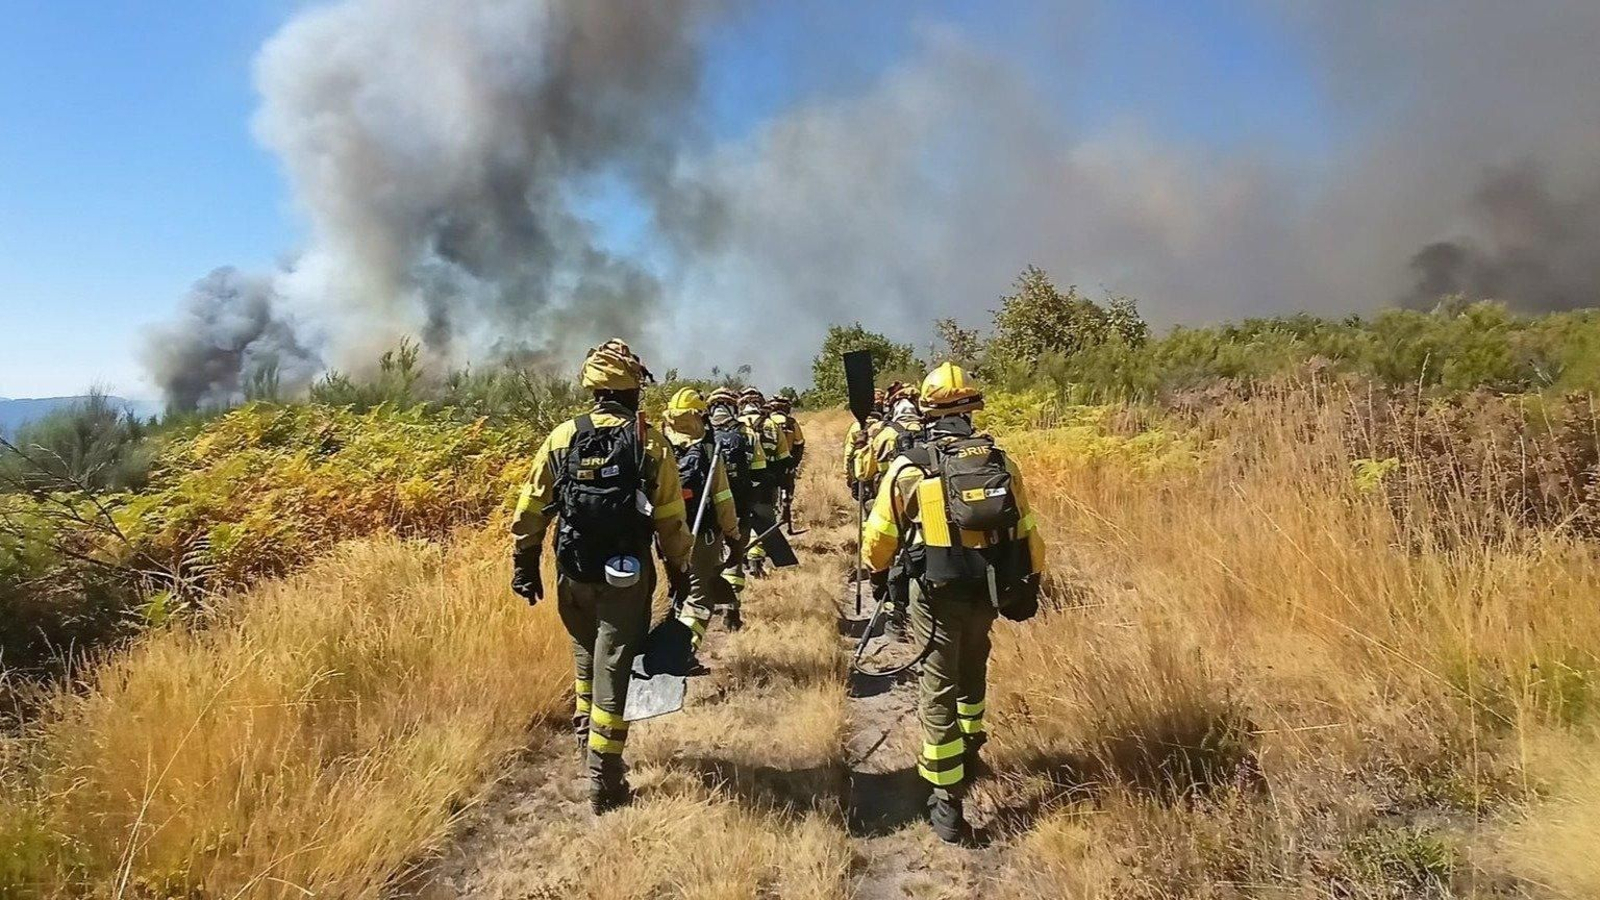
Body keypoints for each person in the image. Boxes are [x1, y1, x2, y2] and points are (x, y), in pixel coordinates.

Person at [860, 362, 1047, 843]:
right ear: (972, 410)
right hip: (988, 589)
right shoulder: (1001, 462)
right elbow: (1028, 532)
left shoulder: (911, 466)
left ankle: (946, 801)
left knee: (937, 681)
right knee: (974, 662)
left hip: (936, 592)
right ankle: (973, 747)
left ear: (927, 411)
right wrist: (1031, 582)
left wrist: (878, 577)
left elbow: (880, 535)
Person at [510, 339, 694, 814]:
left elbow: (531, 506)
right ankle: (604, 779)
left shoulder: (561, 436)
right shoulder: (649, 440)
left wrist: (525, 562)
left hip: (573, 570)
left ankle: (583, 741)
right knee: (615, 667)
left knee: (586, 661)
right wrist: (680, 571)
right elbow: (670, 518)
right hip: (626, 578)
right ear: (633, 388)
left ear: (592, 388)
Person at [662, 388, 746, 647]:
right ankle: (684, 649)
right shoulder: (709, 450)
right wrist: (732, 535)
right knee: (700, 596)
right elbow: (722, 498)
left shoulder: (656, 445)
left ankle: (671, 638)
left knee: (675, 590)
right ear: (700, 415)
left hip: (663, 534)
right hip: (702, 533)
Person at [707, 387, 765, 629]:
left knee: (709, 559)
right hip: (740, 508)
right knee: (735, 558)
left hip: (709, 512)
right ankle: (732, 610)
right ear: (733, 408)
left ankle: (708, 602)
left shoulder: (703, 437)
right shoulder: (749, 436)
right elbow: (760, 471)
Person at [738, 387, 787, 577]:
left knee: (742, 520)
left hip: (738, 484)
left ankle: (741, 555)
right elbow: (784, 457)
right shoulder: (771, 425)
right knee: (764, 520)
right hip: (767, 483)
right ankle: (756, 557)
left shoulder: (734, 426)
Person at [766, 396, 805, 527]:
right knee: (788, 486)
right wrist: (795, 462)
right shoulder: (791, 422)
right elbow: (799, 442)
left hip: (769, 462)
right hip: (787, 461)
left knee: (770, 488)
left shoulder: (766, 421)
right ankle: (786, 511)